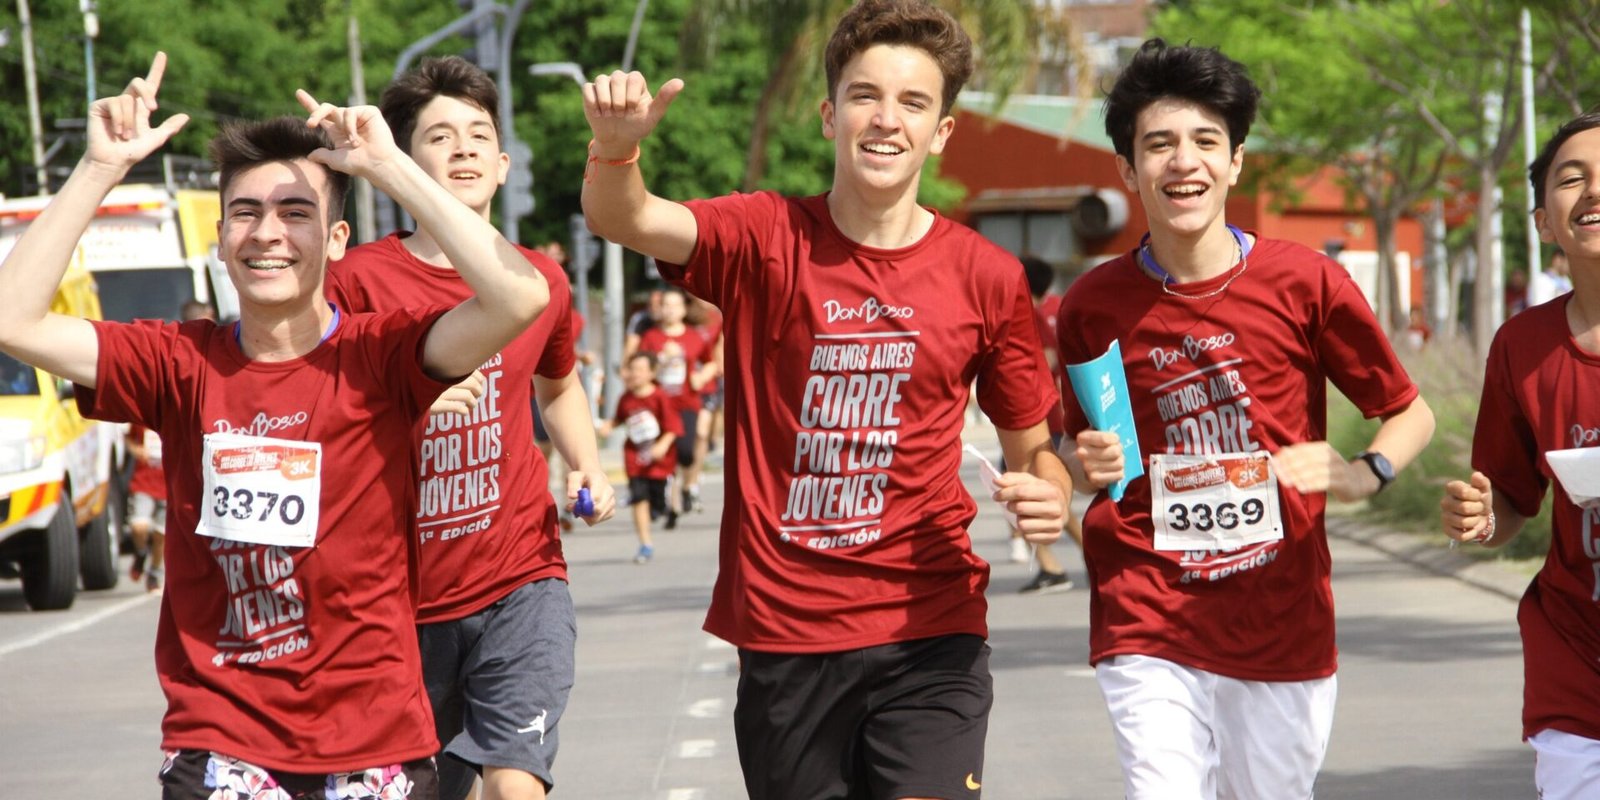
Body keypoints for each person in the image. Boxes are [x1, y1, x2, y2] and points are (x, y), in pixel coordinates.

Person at [0, 54, 550, 795]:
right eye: (246, 213)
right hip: (222, 742)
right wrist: (100, 169)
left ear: (337, 239)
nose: (268, 233)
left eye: (296, 213)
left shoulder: (382, 355)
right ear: (220, 237)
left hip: (375, 746)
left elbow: (520, 299)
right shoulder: (177, 363)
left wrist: (390, 167)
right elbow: (13, 319)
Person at [580, 1, 1070, 796]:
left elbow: (1033, 449)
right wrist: (615, 149)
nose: (886, 119)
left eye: (913, 102)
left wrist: (1049, 491)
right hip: (787, 634)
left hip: (931, 627)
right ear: (828, 115)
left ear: (941, 132)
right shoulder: (765, 235)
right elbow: (625, 216)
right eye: (864, 95)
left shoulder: (987, 276)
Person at [1056, 39, 1435, 799]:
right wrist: (1078, 465)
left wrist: (1364, 475)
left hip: (1281, 618)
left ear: (1235, 162)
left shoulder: (1306, 283)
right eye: (1159, 144)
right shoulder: (1092, 305)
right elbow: (1078, 449)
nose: (1183, 162)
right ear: (1128, 170)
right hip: (1147, 609)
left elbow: (1409, 413)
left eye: (1205, 142)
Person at [324, 55, 615, 800]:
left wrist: (585, 461)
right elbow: (319, 411)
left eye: (479, 135)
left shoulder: (539, 279)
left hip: (521, 576)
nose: (463, 149)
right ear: (399, 163)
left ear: (503, 165)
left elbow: (559, 384)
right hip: (398, 602)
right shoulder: (355, 282)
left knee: (516, 781)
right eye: (439, 136)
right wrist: (406, 401)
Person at [1440, 110, 1600, 800]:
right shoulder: (1522, 346)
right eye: (1572, 178)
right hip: (1576, 659)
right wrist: (1480, 516)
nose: (1594, 190)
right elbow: (1508, 501)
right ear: (1543, 223)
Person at [634, 286, 715, 525]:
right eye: (665, 305)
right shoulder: (651, 337)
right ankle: (669, 502)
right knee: (664, 454)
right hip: (658, 404)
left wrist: (702, 377)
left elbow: (710, 362)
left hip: (686, 401)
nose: (669, 310)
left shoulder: (693, 336)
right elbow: (640, 368)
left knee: (686, 452)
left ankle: (685, 487)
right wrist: (662, 359)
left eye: (674, 305)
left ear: (683, 310)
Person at [597, 351, 682, 564]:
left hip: (660, 462)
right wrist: (609, 426)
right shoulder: (626, 398)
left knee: (657, 505)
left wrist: (662, 445)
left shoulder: (660, 396)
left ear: (652, 373)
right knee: (638, 498)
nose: (636, 374)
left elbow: (673, 427)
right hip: (635, 457)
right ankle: (645, 544)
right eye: (633, 369)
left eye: (641, 370)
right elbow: (619, 418)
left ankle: (662, 507)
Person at [125, 423, 167, 593]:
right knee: (138, 527)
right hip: (144, 482)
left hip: (168, 486)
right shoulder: (143, 418)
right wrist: (136, 450)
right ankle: (141, 553)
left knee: (160, 534)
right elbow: (128, 438)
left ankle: (154, 573)